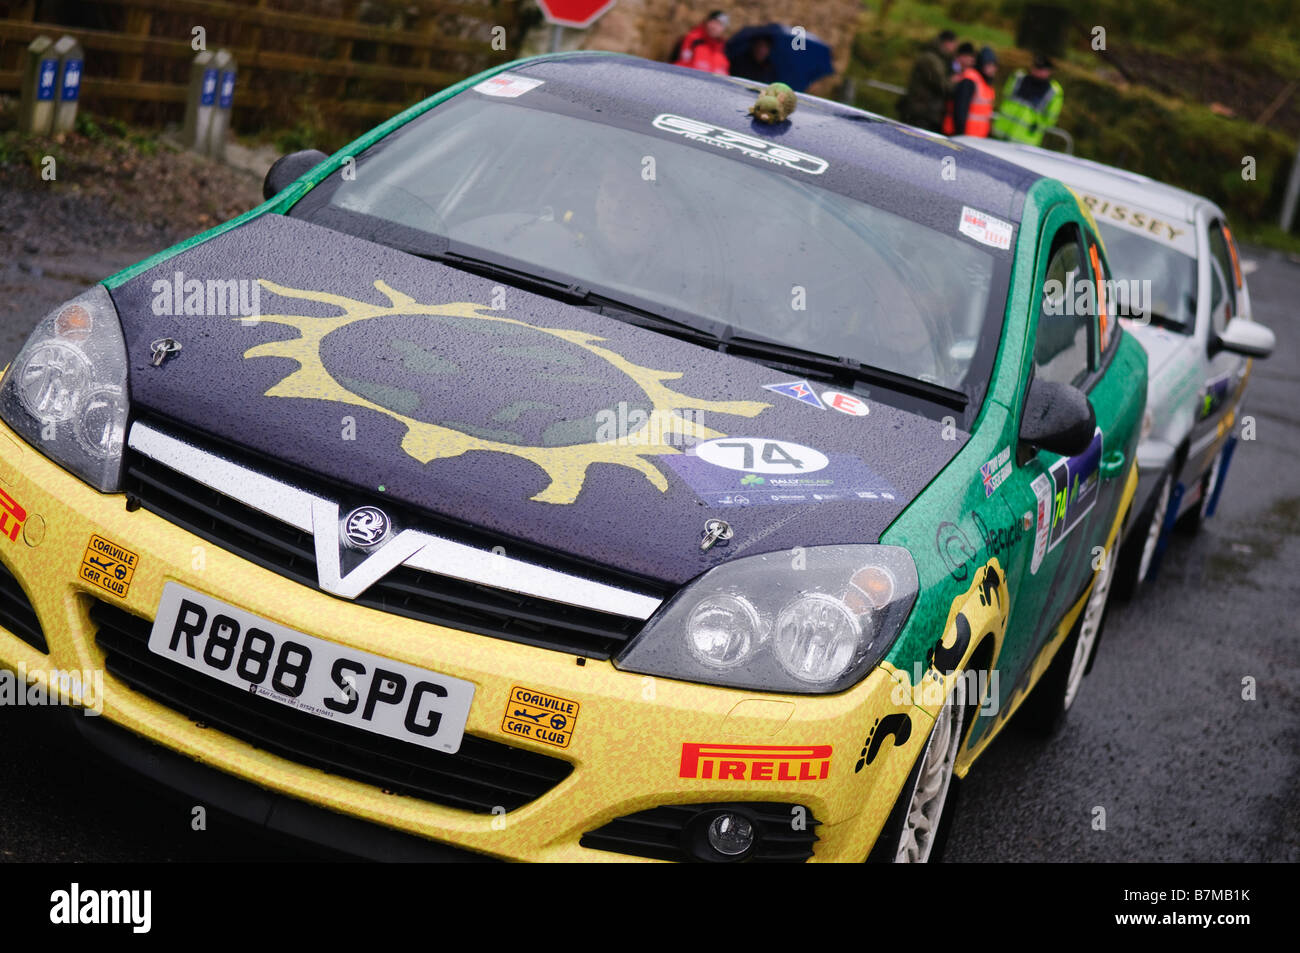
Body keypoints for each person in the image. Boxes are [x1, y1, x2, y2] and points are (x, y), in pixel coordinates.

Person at [992, 55, 1065, 146]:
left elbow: (1050, 118)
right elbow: (1005, 96)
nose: (1037, 71)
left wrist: (1038, 125)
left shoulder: (1053, 91)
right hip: (1001, 131)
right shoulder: (1018, 77)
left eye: (1041, 69)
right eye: (1036, 68)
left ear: (1049, 71)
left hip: (1025, 141)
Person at [897, 29, 957, 131]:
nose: (955, 48)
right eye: (954, 44)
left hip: (925, 112)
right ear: (947, 43)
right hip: (921, 113)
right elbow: (942, 85)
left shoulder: (939, 59)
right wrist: (955, 81)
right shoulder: (931, 60)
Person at [943, 46, 997, 137]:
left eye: (994, 65)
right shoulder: (970, 80)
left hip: (975, 138)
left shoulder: (985, 83)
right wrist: (960, 135)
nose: (993, 69)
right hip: (963, 137)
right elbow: (960, 109)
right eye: (989, 65)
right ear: (982, 64)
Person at [671, 11, 731, 75]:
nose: (715, 27)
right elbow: (679, 65)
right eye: (713, 22)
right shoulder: (693, 40)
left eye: (720, 24)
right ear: (706, 22)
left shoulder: (723, 50)